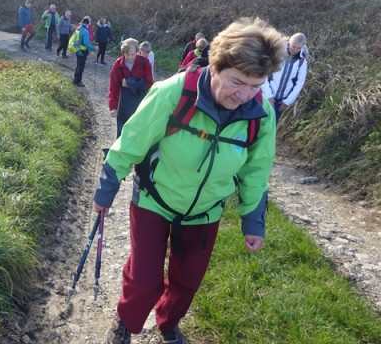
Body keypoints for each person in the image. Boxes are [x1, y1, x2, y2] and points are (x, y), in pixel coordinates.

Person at [95, 17, 287, 344]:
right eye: (237, 82)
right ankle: (126, 321)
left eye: (256, 85)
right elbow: (132, 141)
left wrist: (253, 221)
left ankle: (168, 323)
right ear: (215, 66)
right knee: (144, 280)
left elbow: (256, 170)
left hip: (206, 210)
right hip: (155, 199)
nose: (245, 95)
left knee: (188, 281)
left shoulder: (261, 114)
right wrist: (106, 188)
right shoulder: (174, 93)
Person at [109, 38, 154, 137]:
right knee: (122, 130)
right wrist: (113, 107)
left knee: (138, 131)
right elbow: (113, 87)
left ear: (137, 52)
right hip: (124, 101)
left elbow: (149, 83)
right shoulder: (118, 64)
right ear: (123, 52)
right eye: (127, 54)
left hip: (140, 99)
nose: (130, 57)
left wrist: (130, 83)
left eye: (132, 54)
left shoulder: (144, 62)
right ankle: (119, 151)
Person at [261, 32, 308, 123]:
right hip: (266, 95)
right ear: (289, 42)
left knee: (271, 125)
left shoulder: (302, 61)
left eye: (299, 48)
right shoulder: (277, 52)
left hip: (281, 101)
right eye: (293, 46)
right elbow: (264, 73)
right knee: (257, 122)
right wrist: (268, 95)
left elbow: (299, 83)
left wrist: (287, 102)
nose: (295, 50)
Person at [72, 17, 97, 87]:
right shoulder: (86, 31)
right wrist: (94, 48)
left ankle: (75, 79)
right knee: (81, 66)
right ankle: (78, 81)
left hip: (77, 49)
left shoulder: (78, 29)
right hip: (83, 50)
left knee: (78, 65)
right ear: (88, 24)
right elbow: (86, 43)